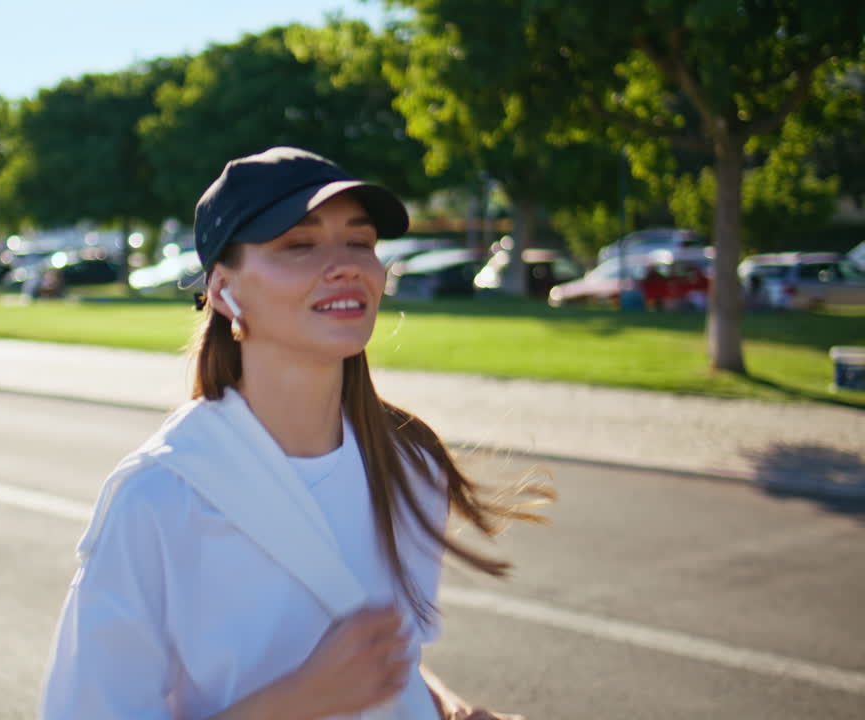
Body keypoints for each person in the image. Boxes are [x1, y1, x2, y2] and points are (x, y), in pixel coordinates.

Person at [41, 146, 551, 719]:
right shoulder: (158, 497)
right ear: (223, 289)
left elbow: (380, 664)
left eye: (360, 242)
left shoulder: (409, 465)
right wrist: (300, 701)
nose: (345, 264)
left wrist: (452, 710)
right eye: (298, 245)